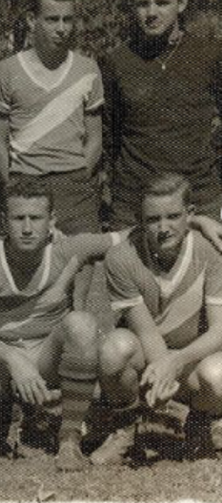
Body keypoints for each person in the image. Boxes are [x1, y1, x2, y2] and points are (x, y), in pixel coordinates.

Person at [0, 177, 124, 471]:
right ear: (3, 220)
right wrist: (12, 357)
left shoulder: (67, 249)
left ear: (52, 221)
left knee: (82, 324)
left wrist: (199, 221)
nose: (26, 228)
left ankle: (69, 438)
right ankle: (4, 422)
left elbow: (132, 235)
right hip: (2, 357)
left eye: (35, 218)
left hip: (48, 355)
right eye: (17, 218)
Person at [92, 173, 222, 464]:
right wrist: (163, 370)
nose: (163, 228)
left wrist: (175, 363)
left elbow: (220, 330)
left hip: (191, 360)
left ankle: (199, 425)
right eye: (152, 219)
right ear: (140, 219)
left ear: (190, 214)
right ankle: (126, 427)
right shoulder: (121, 258)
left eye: (173, 216)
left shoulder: (212, 251)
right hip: (146, 362)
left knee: (219, 375)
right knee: (114, 348)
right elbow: (146, 331)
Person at [102, 0, 222, 228]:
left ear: (182, 3)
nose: (151, 12)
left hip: (200, 199)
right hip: (134, 204)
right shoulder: (116, 62)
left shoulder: (210, 54)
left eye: (162, 3)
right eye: (143, 4)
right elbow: (109, 135)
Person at [0, 0, 104, 235]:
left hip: (74, 188)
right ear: (32, 20)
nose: (62, 28)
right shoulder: (5, 72)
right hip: (25, 184)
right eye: (52, 20)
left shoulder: (88, 69)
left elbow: (95, 139)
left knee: (84, 260)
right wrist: (13, 184)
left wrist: (79, 176)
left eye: (68, 20)